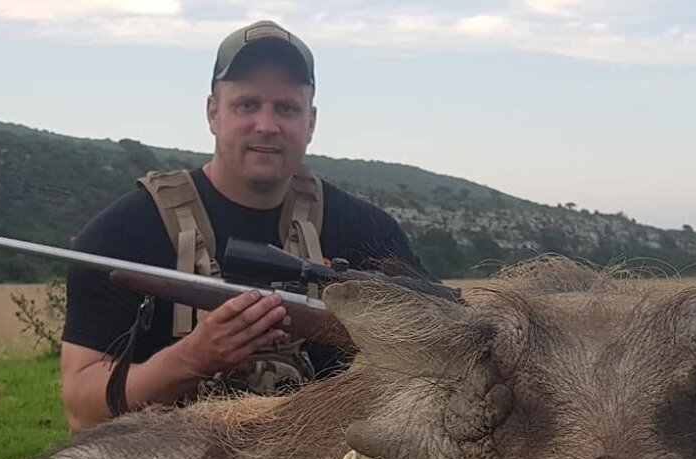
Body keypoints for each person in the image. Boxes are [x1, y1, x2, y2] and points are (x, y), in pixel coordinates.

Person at [61, 20, 425, 432]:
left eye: (286, 108)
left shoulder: (370, 235)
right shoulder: (122, 234)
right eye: (247, 105)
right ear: (213, 113)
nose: (267, 125)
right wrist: (191, 359)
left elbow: (429, 357)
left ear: (311, 122)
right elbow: (82, 409)